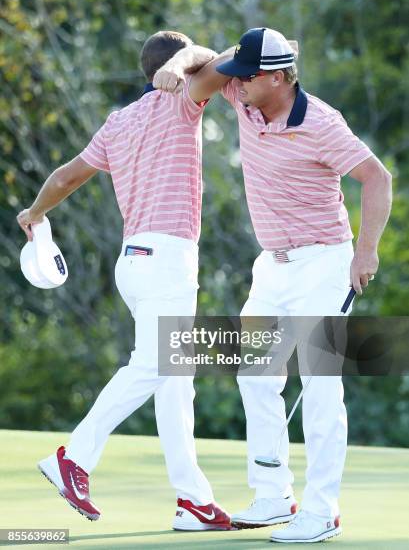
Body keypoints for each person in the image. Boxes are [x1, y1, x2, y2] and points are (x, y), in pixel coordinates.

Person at [153, 27, 392, 543]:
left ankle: (323, 509)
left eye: (247, 76)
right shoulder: (244, 94)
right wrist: (180, 62)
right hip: (272, 265)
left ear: (280, 77)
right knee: (255, 375)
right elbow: (202, 68)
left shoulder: (323, 123)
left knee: (321, 383)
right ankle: (274, 494)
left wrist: (366, 250)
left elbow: (377, 178)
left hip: (325, 264)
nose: (232, 86)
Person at [16, 30, 232, 531]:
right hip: (167, 262)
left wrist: (34, 211)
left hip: (134, 263)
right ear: (179, 69)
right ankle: (74, 458)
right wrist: (186, 66)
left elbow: (67, 177)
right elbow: (223, 59)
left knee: (176, 382)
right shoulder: (182, 100)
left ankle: (192, 500)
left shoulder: (119, 122)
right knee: (155, 365)